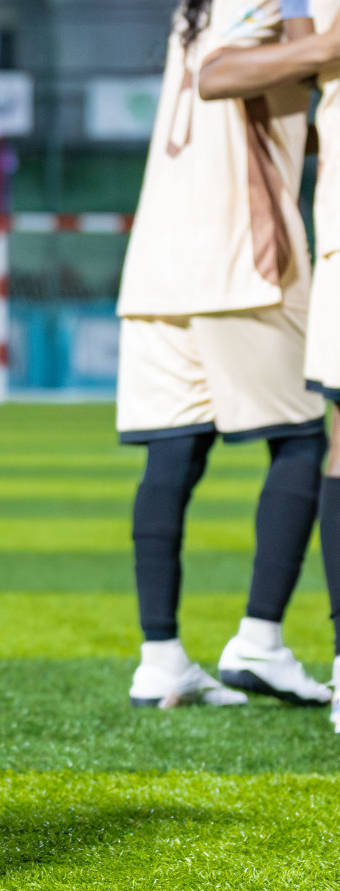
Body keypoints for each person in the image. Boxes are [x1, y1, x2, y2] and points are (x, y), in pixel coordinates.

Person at [115, 0, 335, 710]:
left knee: (174, 452)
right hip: (239, 252)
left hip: (159, 256)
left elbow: (254, 105)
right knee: (305, 438)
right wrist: (325, 45)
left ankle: (160, 658)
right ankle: (261, 638)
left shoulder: (195, 7)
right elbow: (220, 76)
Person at [193, 0, 340, 731]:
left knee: (311, 440)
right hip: (263, 253)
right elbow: (220, 75)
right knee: (315, 438)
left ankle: (213, 643)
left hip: (245, 248)